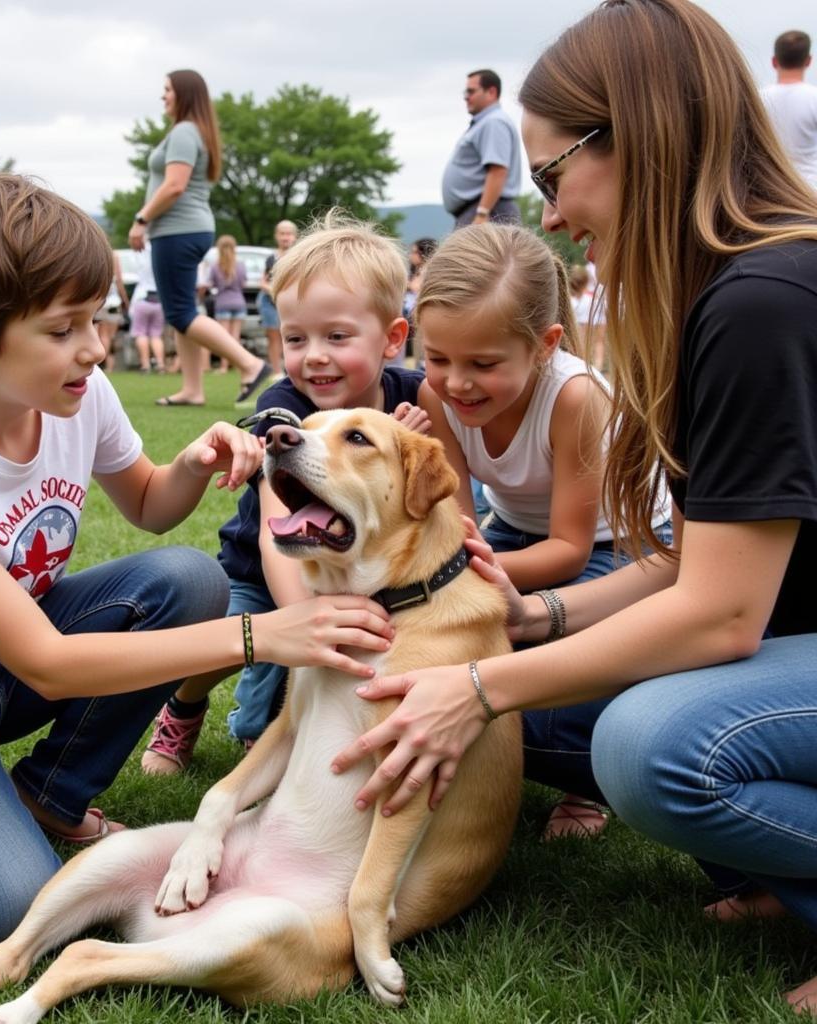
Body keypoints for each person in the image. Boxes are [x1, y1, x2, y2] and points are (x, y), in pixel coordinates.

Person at [331, 0, 817, 1012]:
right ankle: (783, 875)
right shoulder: (723, 293)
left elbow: (723, 618)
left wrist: (474, 684)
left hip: (777, 639)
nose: (548, 213)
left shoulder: (763, 300)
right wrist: (532, 621)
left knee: (652, 748)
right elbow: (695, 564)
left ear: (637, 138)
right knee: (547, 706)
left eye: (552, 176)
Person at [0, 174, 395, 951]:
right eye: (61, 328)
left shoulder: (80, 391)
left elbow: (147, 503)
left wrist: (187, 463)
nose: (95, 346)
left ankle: (50, 795)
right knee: (9, 906)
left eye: (96, 317)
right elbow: (47, 662)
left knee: (187, 580)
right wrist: (264, 636)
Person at [140, 215, 429, 774]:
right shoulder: (283, 409)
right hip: (268, 570)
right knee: (236, 637)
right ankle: (184, 705)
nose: (313, 355)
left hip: (360, 569)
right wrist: (304, 622)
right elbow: (277, 534)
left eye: (336, 337)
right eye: (296, 339)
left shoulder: (411, 399)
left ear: (394, 337)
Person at [415, 223, 669, 839]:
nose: (457, 383)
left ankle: (581, 786)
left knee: (552, 655)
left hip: (624, 547)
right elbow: (461, 528)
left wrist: (468, 577)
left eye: (483, 363)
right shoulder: (437, 396)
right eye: (439, 357)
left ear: (545, 344)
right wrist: (457, 574)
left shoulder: (574, 398)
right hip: (514, 535)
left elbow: (569, 549)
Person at [127, 70, 272, 409]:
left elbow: (175, 185)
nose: (163, 96)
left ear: (183, 94)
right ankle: (192, 389)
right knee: (183, 310)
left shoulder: (183, 132)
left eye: (167, 90)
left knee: (179, 312)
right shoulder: (191, 132)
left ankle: (250, 365)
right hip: (185, 230)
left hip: (177, 230)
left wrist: (141, 219)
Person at [441, 69, 522, 229]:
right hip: (483, 210)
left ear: (491, 92)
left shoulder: (494, 122)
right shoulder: (487, 122)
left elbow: (498, 170)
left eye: (471, 91)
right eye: (466, 92)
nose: (466, 97)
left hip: (489, 211)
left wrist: (482, 213)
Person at [762, 30, 817, 190]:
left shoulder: (758, 99)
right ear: (808, 61)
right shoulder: (814, 98)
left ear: (774, 61)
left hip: (771, 190)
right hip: (811, 191)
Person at [258, 219, 300, 375]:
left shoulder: (299, 257)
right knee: (274, 337)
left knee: (292, 337)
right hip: (270, 303)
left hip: (293, 304)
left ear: (294, 236)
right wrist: (273, 290)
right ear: (276, 236)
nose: (285, 237)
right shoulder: (271, 259)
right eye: (282, 233)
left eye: (288, 234)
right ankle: (276, 371)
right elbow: (263, 282)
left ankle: (292, 369)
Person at [206, 234, 248, 374]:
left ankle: (224, 366)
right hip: (238, 302)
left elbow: (211, 284)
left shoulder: (215, 267)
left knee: (224, 337)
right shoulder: (241, 265)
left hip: (223, 302)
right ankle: (237, 365)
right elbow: (243, 284)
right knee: (235, 337)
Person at [128, 241, 166, 373]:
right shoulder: (162, 254)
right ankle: (160, 364)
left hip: (142, 297)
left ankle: (145, 365)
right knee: (156, 335)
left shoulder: (140, 254)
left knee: (140, 333)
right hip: (159, 299)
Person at [401, 236, 437, 368]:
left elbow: (417, 287)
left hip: (425, 315)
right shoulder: (416, 271)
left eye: (414, 252)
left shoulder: (430, 270)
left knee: (422, 350)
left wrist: (406, 284)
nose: (411, 255)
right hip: (413, 315)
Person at [94, 251, 128, 373]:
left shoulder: (96, 254)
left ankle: (100, 366)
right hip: (114, 303)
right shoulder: (114, 256)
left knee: (102, 336)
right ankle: (107, 366)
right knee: (110, 336)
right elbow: (119, 280)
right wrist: (125, 301)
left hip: (100, 302)